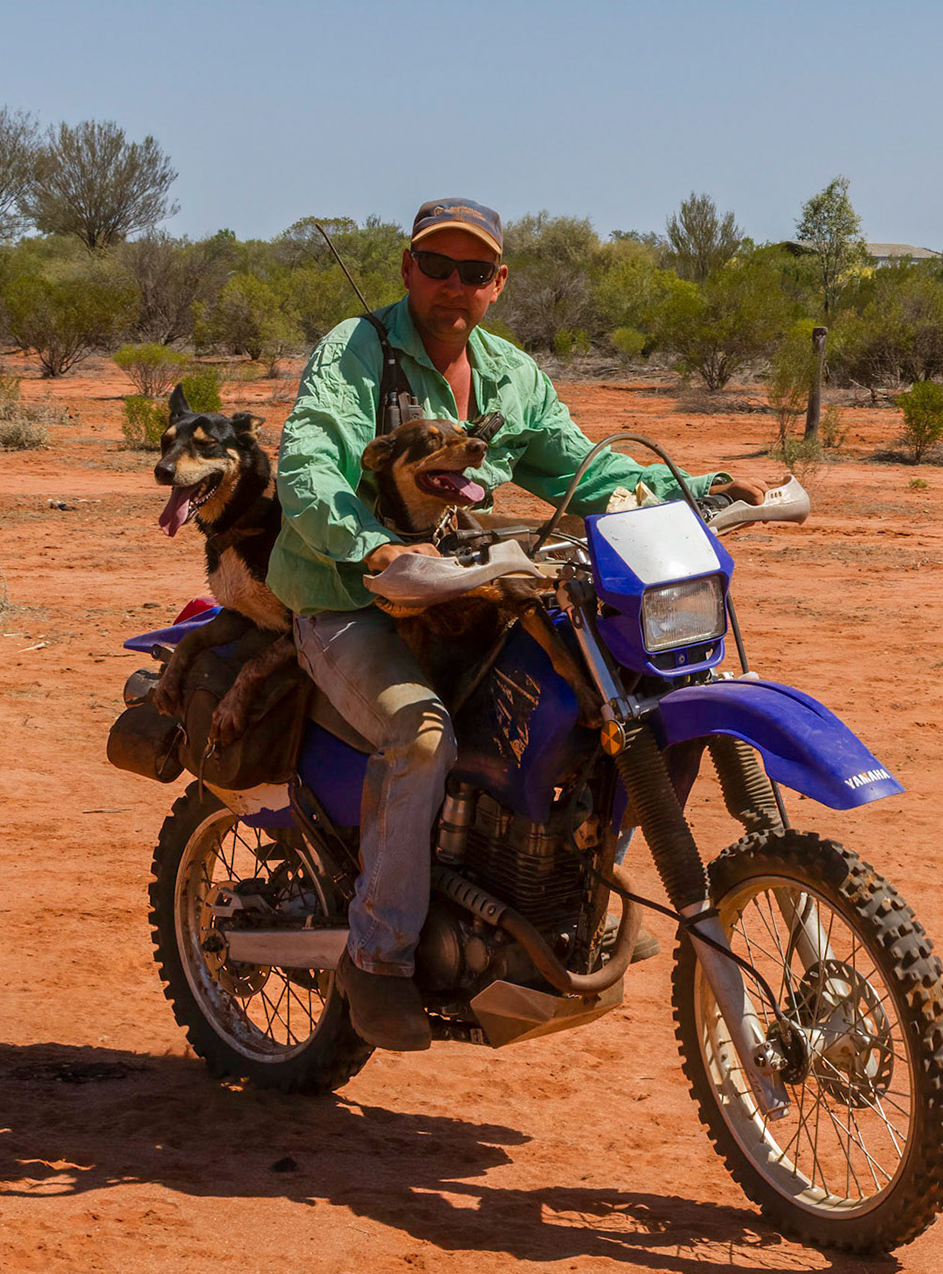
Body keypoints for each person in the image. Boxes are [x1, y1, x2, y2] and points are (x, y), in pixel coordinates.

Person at [271, 198, 778, 1050]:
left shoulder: (509, 373)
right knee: (421, 734)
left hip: (459, 589)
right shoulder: (358, 352)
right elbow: (311, 457)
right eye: (438, 267)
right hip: (347, 594)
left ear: (498, 285)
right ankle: (380, 954)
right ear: (408, 269)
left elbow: (582, 469)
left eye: (474, 273)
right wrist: (367, 550)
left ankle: (565, 893)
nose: (453, 287)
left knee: (594, 702)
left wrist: (708, 485)